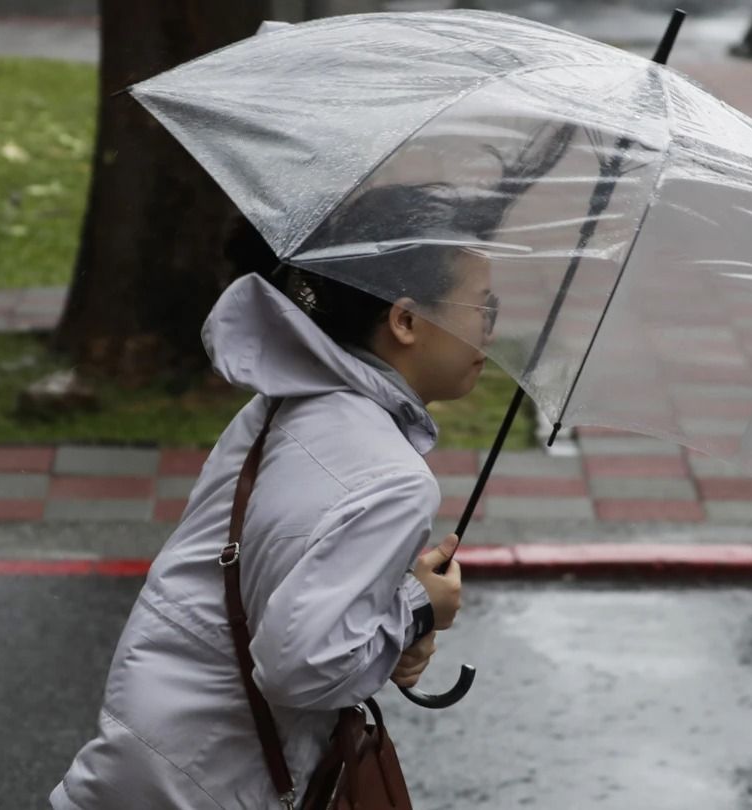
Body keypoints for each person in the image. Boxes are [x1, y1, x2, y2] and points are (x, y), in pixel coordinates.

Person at [49, 183, 503, 809]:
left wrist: (392, 616)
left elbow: (266, 585)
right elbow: (300, 665)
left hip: (141, 758)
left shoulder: (282, 403)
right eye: (482, 307)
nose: (489, 329)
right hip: (212, 782)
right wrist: (417, 609)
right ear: (404, 320)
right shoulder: (395, 480)